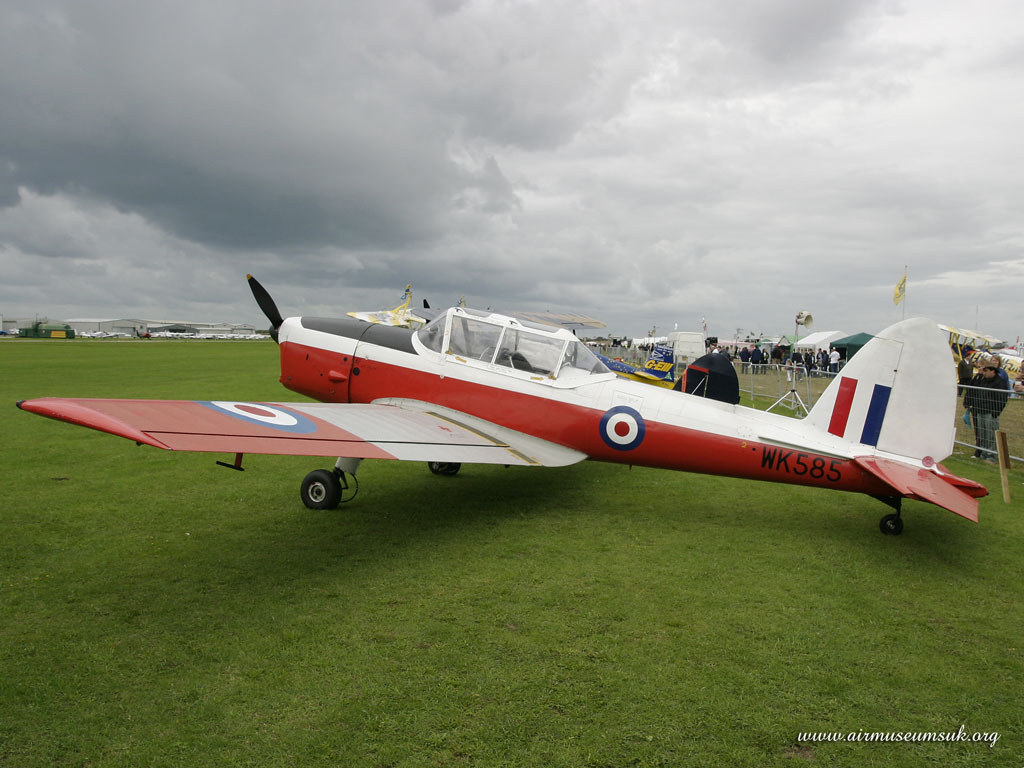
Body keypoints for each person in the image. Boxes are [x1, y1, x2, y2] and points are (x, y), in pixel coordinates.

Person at [963, 356, 1010, 463]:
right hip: (980, 410)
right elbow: (973, 391)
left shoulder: (999, 382)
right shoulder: (982, 380)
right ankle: (983, 453)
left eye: (985, 370)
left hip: (990, 412)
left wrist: (995, 412)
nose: (983, 373)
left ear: (992, 371)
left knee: (990, 434)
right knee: (982, 434)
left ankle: (991, 455)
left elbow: (1002, 399)